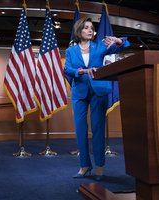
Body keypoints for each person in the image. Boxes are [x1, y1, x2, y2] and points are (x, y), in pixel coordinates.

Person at [64, 17, 130, 181]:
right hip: (79, 92)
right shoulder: (70, 51)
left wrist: (118, 40)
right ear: (79, 31)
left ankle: (99, 166)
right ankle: (85, 165)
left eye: (92, 28)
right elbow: (67, 69)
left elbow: (124, 46)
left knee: (98, 129)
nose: (90, 30)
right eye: (86, 27)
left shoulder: (100, 46)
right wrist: (81, 71)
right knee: (80, 129)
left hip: (98, 91)